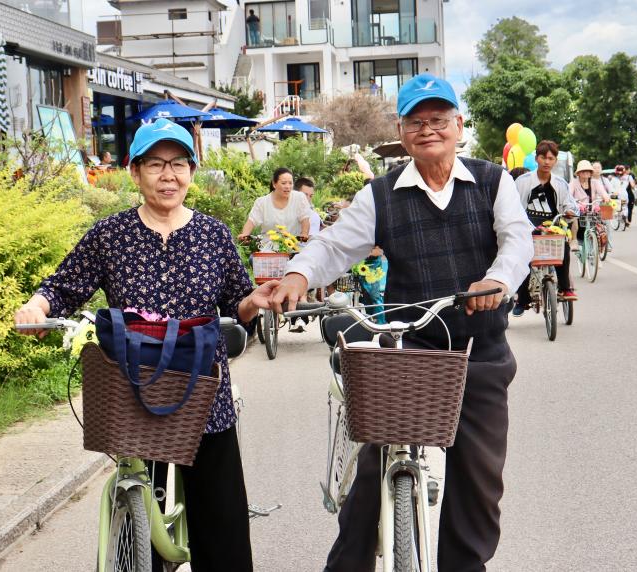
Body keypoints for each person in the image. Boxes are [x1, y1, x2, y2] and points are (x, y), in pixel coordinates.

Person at [268, 73, 533, 571]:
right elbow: (334, 244)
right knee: (373, 464)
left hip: (481, 351)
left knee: (480, 479)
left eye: (438, 119)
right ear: (402, 128)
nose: (428, 128)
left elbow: (517, 240)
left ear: (458, 125)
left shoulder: (493, 182)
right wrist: (298, 275)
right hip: (411, 346)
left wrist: (495, 281)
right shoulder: (381, 195)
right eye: (416, 120)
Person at [14, 118, 274, 572]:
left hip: (201, 388)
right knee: (142, 511)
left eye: (178, 164)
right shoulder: (110, 235)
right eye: (155, 164)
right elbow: (62, 285)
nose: (168, 175)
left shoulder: (213, 234)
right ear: (135, 173)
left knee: (222, 521)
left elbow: (238, 300)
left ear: (192, 172)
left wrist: (255, 301)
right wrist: (36, 307)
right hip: (135, 385)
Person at [514, 140, 580, 311]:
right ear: (537, 159)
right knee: (523, 257)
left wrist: (571, 212)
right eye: (543, 157)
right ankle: (522, 299)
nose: (547, 161)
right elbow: (512, 205)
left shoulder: (560, 184)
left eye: (551, 158)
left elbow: (570, 205)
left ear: (555, 161)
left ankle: (565, 289)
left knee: (563, 247)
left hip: (553, 226)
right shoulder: (522, 181)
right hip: (527, 227)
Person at [238, 167, 312, 248]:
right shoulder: (262, 202)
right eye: (284, 183)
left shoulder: (299, 198)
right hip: (268, 249)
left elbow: (305, 219)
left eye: (290, 183)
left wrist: (304, 233)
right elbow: (251, 221)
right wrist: (245, 234)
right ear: (274, 184)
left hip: (293, 248)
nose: (288, 186)